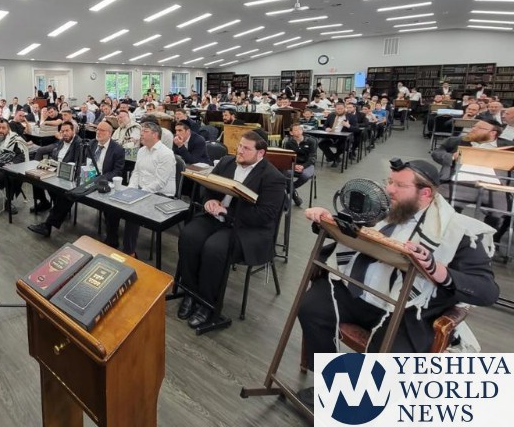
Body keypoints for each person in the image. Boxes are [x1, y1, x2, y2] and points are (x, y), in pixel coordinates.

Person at [297, 159, 499, 406]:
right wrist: (327, 221)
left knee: (390, 353)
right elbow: (351, 233)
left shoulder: (460, 232)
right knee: (311, 308)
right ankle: (332, 384)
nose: (389, 190)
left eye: (399, 185)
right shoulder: (382, 209)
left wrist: (437, 270)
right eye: (390, 182)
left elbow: (487, 292)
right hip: (360, 292)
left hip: (408, 311)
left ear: (425, 193)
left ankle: (359, 401)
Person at [176, 131, 287, 328]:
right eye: (240, 146)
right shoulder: (227, 162)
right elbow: (209, 187)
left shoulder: (273, 177)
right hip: (217, 217)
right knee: (189, 236)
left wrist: (227, 212)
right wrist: (210, 200)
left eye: (246, 148)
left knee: (214, 248)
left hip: (247, 227)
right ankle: (190, 292)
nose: (240, 151)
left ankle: (207, 303)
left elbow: (265, 215)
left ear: (260, 153)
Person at [28, 120, 125, 238]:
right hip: (86, 178)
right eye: (97, 129)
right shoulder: (91, 144)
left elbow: (117, 171)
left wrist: (100, 178)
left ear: (109, 133)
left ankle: (111, 239)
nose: (98, 132)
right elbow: (82, 162)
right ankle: (47, 226)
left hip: (102, 182)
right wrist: (81, 172)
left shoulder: (117, 149)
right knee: (67, 194)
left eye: (101, 130)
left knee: (111, 208)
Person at [118, 122, 176, 256]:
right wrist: (130, 189)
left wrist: (139, 193)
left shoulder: (166, 153)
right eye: (141, 131)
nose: (141, 134)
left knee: (133, 212)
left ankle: (129, 252)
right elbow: (136, 172)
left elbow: (160, 182)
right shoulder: (142, 150)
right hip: (142, 190)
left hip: (161, 194)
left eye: (145, 131)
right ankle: (111, 240)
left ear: (155, 134)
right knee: (115, 202)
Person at [30, 121, 82, 214]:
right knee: (35, 177)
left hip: (66, 172)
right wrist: (49, 162)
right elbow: (55, 154)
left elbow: (77, 163)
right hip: (55, 168)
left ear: (73, 131)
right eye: (62, 131)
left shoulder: (78, 143)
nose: (64, 133)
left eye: (67, 130)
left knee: (50, 183)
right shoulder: (62, 140)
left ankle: (59, 207)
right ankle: (44, 202)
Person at [0, 118, 29, 214]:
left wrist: (12, 163)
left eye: (3, 128)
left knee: (13, 176)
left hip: (5, 168)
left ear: (8, 129)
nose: (1, 130)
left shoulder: (15, 140)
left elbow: (21, 156)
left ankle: (8, 201)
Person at [282, 123, 317, 206]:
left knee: (305, 175)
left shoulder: (311, 141)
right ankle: (295, 196)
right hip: (294, 164)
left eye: (300, 129)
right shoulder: (288, 143)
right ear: (291, 133)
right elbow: (287, 157)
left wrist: (303, 166)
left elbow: (313, 158)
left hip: (308, 164)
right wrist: (294, 165)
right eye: (296, 130)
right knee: (286, 173)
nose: (298, 131)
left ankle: (287, 191)